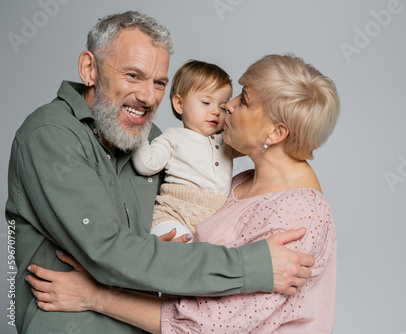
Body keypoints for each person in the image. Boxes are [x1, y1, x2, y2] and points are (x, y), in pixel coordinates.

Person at [5, 11, 315, 334]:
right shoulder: (49, 136)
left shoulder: (151, 142)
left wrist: (165, 250)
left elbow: (175, 249)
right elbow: (110, 252)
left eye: (159, 83)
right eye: (133, 76)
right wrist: (251, 266)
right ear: (89, 69)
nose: (148, 97)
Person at [133, 60, 234, 239]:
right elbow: (147, 164)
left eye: (223, 106)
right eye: (206, 102)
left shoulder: (227, 140)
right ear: (179, 104)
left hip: (213, 220)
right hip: (173, 214)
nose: (216, 112)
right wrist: (138, 132)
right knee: (184, 252)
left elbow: (256, 146)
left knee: (222, 256)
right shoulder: (173, 137)